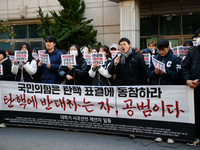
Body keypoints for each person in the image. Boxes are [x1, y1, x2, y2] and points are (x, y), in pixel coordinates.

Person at [147, 39, 182, 144]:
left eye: (163, 50)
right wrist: (155, 72)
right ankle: (160, 133)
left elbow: (178, 76)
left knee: (170, 112)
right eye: (159, 50)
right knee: (159, 112)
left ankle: (171, 134)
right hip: (157, 90)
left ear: (168, 48)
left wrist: (165, 72)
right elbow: (148, 74)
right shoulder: (154, 58)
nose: (161, 52)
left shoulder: (175, 59)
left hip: (170, 90)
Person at [182, 41, 200, 145]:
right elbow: (185, 67)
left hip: (198, 83)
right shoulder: (192, 52)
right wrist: (187, 80)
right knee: (196, 114)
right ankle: (197, 136)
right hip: (194, 88)